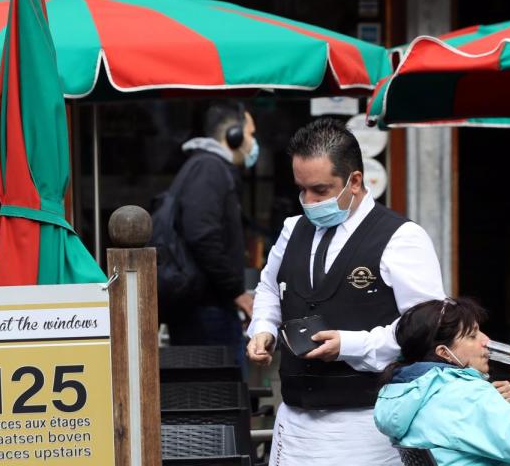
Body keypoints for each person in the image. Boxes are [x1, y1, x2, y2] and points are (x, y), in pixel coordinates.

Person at [246, 117, 446, 466]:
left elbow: (425, 331)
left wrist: (349, 345)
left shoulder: (402, 238)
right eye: (301, 189)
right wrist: (263, 328)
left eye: (320, 190)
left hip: (367, 426)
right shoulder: (292, 229)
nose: (308, 201)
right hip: (293, 424)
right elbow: (268, 287)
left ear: (355, 181)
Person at [374, 298, 510, 466]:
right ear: (444, 353)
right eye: (472, 335)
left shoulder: (418, 392)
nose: (486, 341)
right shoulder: (460, 396)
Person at [167, 101, 259, 367]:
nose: (253, 143)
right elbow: (202, 235)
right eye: (250, 134)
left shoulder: (205, 167)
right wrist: (236, 291)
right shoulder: (210, 169)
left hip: (205, 305)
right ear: (234, 135)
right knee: (222, 394)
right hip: (207, 309)